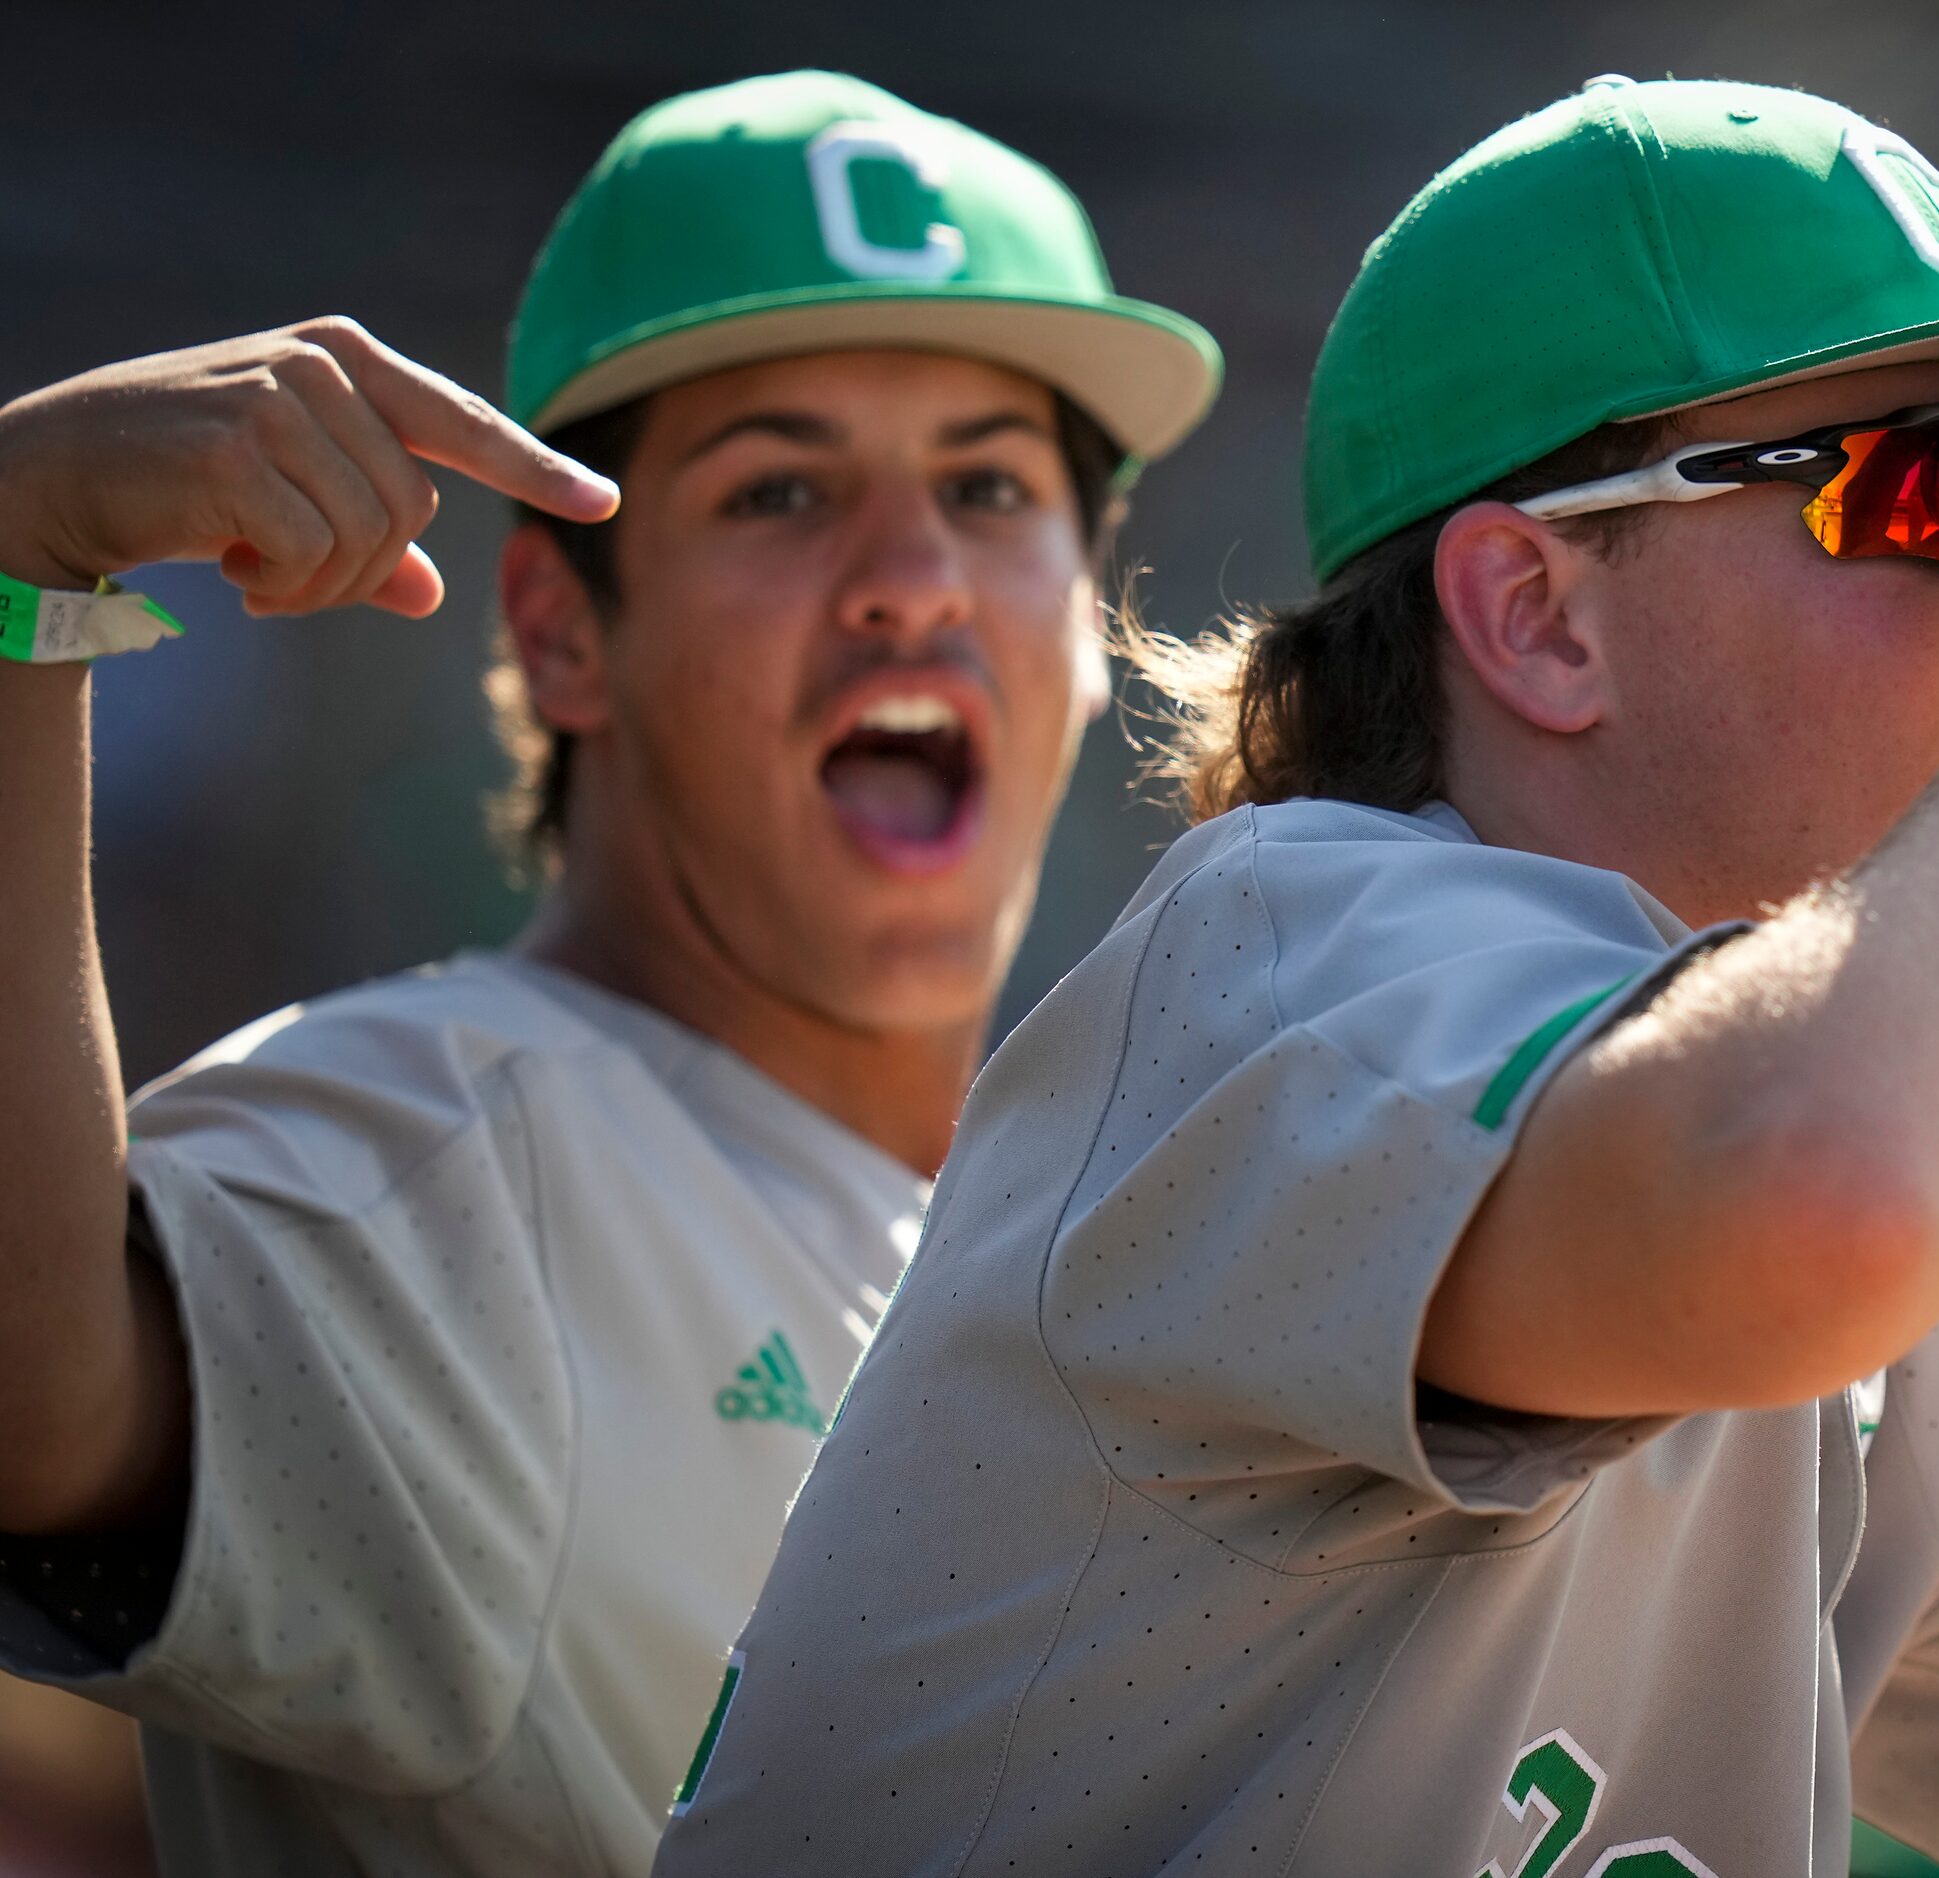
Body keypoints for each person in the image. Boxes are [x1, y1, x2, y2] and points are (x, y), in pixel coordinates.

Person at [652, 77, 1939, 1877]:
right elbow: (1814, 1201)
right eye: (1924, 496)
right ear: (1536, 616)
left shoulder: (1820, 1233)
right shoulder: (1278, 963)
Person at [0, 69, 1217, 1876]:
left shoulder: (1132, 1241)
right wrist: (16, 558)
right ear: (563, 633)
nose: (908, 577)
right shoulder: (436, 1154)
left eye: (987, 483)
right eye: (782, 490)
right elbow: (30, 1404)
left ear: (1085, 626)